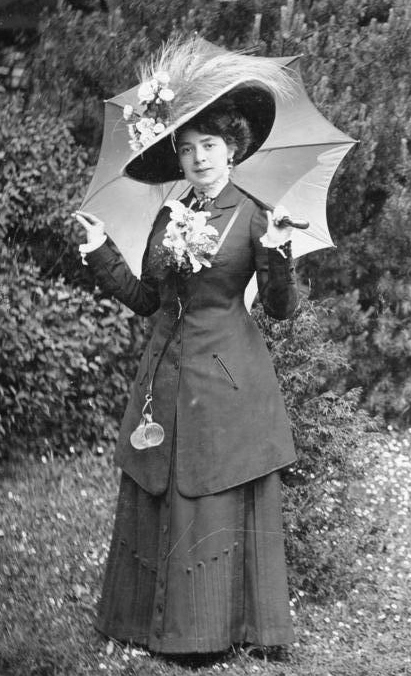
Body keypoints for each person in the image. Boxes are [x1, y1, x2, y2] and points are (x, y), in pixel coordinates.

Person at [74, 38, 299, 656]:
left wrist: (279, 250)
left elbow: (280, 309)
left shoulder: (256, 215)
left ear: (233, 149)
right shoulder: (168, 215)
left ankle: (210, 632)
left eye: (210, 145)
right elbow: (149, 299)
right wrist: (101, 251)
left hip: (225, 377)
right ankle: (145, 623)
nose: (198, 157)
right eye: (187, 147)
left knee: (211, 488)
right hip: (165, 374)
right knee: (160, 484)